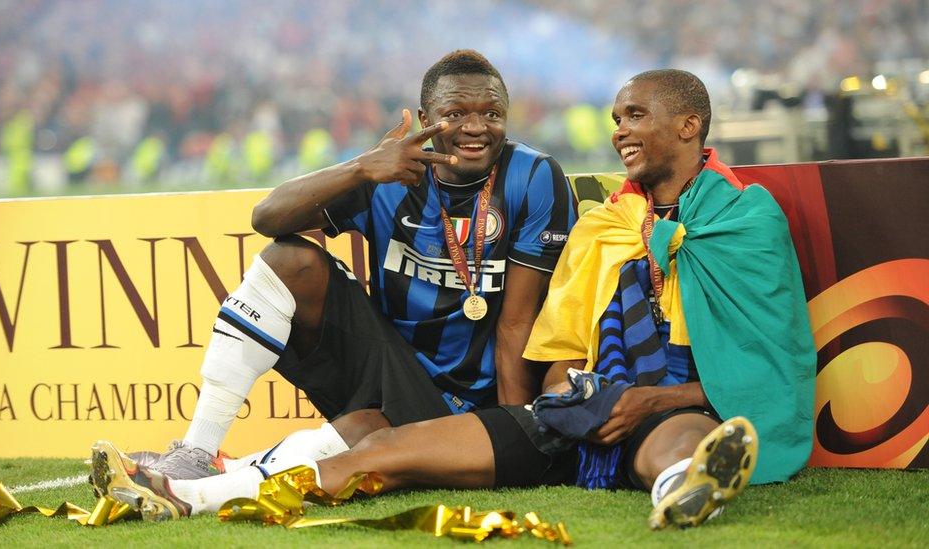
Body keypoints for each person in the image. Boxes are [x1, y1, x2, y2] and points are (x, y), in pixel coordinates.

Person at [92, 69, 815, 530]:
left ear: (689, 125)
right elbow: (563, 348)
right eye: (616, 117)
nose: (619, 130)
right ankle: (190, 472)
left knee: (673, 443)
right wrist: (362, 168)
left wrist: (614, 408)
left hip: (624, 408)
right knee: (305, 296)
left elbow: (525, 328)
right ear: (425, 114)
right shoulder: (613, 224)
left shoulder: (732, 218)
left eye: (635, 116)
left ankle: (685, 486)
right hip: (474, 391)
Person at [136, 49, 577, 480]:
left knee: (362, 435)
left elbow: (515, 324)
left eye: (492, 113)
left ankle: (216, 476)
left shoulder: (535, 177)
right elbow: (266, 218)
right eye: (456, 113)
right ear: (426, 120)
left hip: (472, 403)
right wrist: (362, 168)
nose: (476, 127)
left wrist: (510, 438)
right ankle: (197, 449)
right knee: (291, 258)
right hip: (390, 368)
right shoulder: (389, 172)